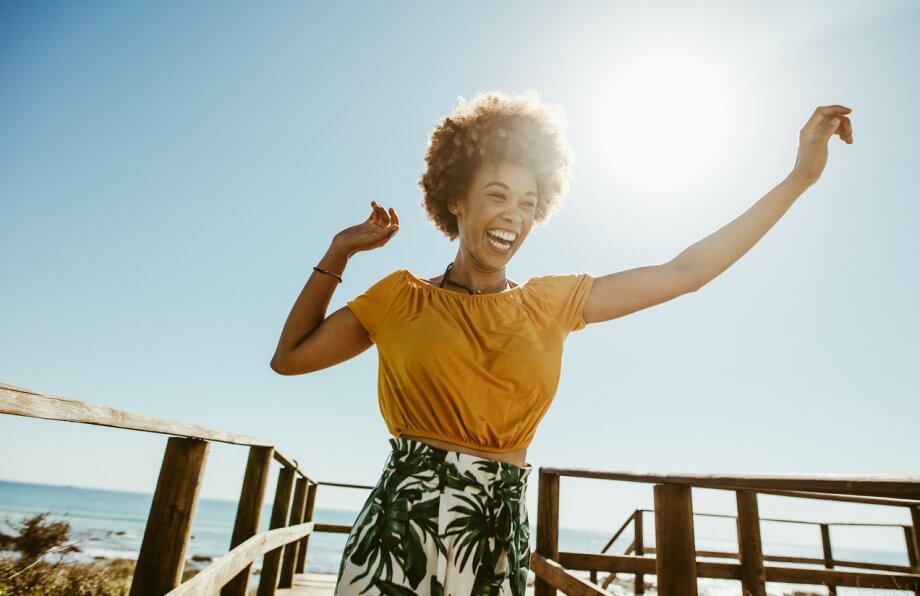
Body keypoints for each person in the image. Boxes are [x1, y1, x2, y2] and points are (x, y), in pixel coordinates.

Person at [270, 91, 853, 595]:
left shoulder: (552, 303)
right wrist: (338, 252)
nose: (513, 217)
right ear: (455, 199)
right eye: (497, 195)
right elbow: (290, 358)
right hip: (399, 529)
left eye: (528, 203)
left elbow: (685, 272)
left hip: (493, 534)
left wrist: (799, 178)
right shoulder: (399, 298)